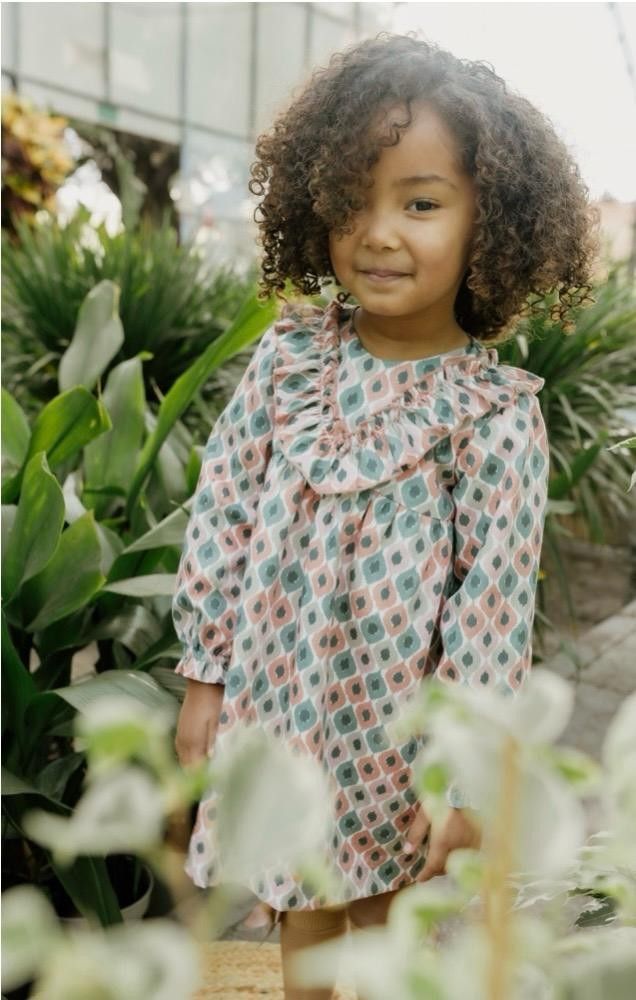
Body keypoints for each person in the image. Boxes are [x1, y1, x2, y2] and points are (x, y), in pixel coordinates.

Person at [173, 32, 599, 1000]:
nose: (378, 233)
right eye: (350, 202)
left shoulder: (493, 414)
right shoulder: (288, 362)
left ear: (493, 222)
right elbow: (222, 514)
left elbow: (490, 610)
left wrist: (462, 772)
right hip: (275, 704)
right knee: (300, 894)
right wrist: (203, 678)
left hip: (394, 733)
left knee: (386, 912)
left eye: (420, 203)